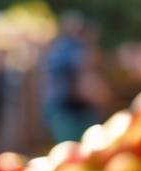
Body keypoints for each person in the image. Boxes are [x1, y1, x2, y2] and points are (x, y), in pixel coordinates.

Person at [43, 12, 108, 144]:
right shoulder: (70, 50)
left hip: (78, 107)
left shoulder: (66, 49)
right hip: (66, 108)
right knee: (72, 144)